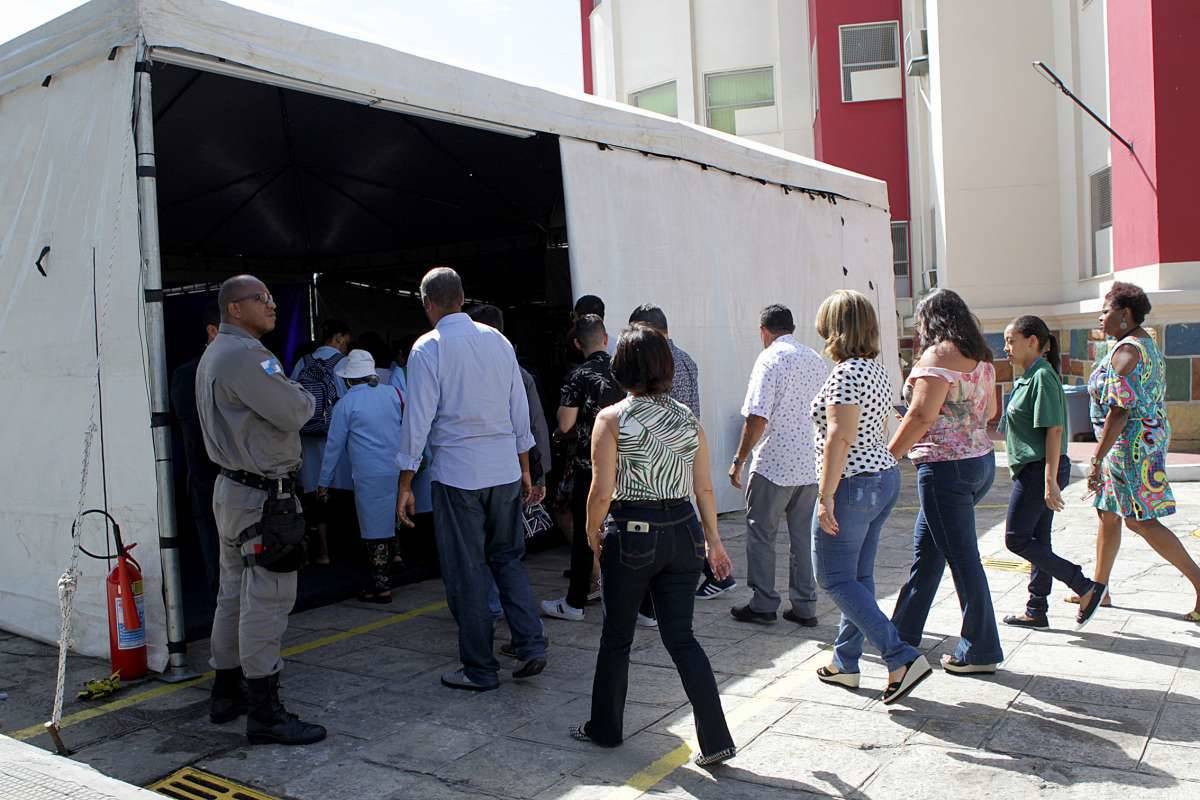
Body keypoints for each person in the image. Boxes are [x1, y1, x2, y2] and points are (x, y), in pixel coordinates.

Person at [571, 324, 737, 768]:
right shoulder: (688, 418)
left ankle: (605, 728)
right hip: (683, 531)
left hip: (631, 533)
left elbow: (601, 491)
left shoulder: (612, 419)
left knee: (617, 638)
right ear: (665, 366)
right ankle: (717, 738)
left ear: (622, 367)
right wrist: (714, 542)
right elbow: (704, 490)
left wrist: (592, 534)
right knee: (681, 637)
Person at [395, 267, 548, 690]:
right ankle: (530, 643)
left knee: (467, 570)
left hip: (458, 474)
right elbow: (520, 411)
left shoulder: (428, 348)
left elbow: (417, 419)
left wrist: (405, 482)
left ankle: (480, 668)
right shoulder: (497, 340)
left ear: (428, 304)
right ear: (461, 298)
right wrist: (524, 466)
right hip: (502, 470)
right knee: (508, 559)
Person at [196, 274, 325, 745]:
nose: (272, 305)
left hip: (233, 491)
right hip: (262, 498)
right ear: (234, 308)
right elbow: (297, 411)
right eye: (262, 299)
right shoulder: (247, 356)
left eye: (271, 297)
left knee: (233, 594)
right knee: (267, 600)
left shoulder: (217, 353)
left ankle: (226, 692)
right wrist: (301, 394)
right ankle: (265, 712)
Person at [811, 289, 931, 705]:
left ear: (834, 328)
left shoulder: (845, 374)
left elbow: (838, 438)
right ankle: (845, 662)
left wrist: (825, 495)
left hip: (852, 482)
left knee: (833, 577)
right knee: (858, 577)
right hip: (881, 476)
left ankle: (900, 656)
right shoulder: (877, 370)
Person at [886, 289, 1003, 675]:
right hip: (980, 461)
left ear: (929, 320)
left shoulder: (937, 356)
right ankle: (901, 631)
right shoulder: (981, 357)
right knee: (929, 551)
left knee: (963, 560)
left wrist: (888, 457)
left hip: (944, 468)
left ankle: (981, 648)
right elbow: (993, 411)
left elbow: (919, 415)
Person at [1079, 282, 1200, 624]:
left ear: (1125, 314)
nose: (1101, 317)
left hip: (1131, 444)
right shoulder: (1140, 343)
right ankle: (1099, 589)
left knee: (1140, 520)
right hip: (1140, 438)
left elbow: (1120, 410)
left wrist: (1096, 458)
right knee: (1107, 512)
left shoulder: (1127, 351)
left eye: (1106, 311)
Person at [625, 304, 734, 600]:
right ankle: (711, 571)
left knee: (666, 519)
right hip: (687, 444)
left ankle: (709, 573)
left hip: (659, 450)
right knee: (682, 513)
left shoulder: (650, 362)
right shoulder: (686, 358)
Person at [727, 304, 825, 624]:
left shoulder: (769, 359)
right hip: (810, 464)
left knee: (761, 533)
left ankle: (764, 602)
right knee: (802, 537)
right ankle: (805, 605)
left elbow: (757, 417)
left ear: (764, 331)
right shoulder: (815, 359)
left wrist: (739, 459)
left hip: (774, 462)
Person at [1000, 316, 1098, 628]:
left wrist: (1049, 480)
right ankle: (1036, 608)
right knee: (1039, 540)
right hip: (1034, 469)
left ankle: (1083, 585)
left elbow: (1054, 430)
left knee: (1016, 539)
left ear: (1032, 341)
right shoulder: (1029, 376)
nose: (1006, 349)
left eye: (1011, 341)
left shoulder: (1042, 376)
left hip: (1039, 469)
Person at [541, 314, 631, 623]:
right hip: (626, 465)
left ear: (578, 344)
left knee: (586, 532)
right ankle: (637, 603)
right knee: (626, 532)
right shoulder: (625, 370)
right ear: (605, 339)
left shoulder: (577, 376)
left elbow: (565, 423)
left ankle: (575, 603)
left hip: (589, 466)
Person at [468, 303, 552, 620]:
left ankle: (494, 604)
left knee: (493, 546)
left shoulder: (512, 373)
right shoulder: (511, 371)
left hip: (495, 472)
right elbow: (535, 425)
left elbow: (532, 425)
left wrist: (536, 474)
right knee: (502, 547)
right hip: (508, 472)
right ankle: (506, 610)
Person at [317, 349, 403, 603]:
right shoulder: (394, 393)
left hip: (368, 474)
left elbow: (333, 447)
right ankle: (397, 558)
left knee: (373, 529)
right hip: (397, 469)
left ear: (348, 379)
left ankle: (382, 586)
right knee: (391, 518)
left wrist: (323, 483)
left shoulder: (346, 404)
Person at [170, 301, 222, 594]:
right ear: (212, 331)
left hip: (208, 474)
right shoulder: (190, 374)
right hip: (211, 474)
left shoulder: (185, 374)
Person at [292, 319, 353, 565]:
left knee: (316, 499)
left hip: (309, 442)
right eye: (346, 341)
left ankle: (323, 552)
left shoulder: (302, 363)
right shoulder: (345, 364)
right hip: (338, 442)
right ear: (338, 338)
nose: (348, 347)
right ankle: (345, 550)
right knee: (342, 495)